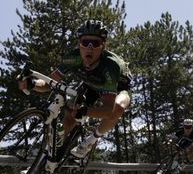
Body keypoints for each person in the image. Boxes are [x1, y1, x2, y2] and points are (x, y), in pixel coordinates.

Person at [18, 19, 132, 158]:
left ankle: (91, 140)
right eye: (85, 43)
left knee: (118, 108)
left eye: (95, 43)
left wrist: (85, 111)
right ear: (79, 44)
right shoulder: (73, 57)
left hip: (118, 87)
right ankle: (44, 160)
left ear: (103, 46)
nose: (89, 47)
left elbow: (108, 110)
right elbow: (49, 83)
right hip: (91, 85)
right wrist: (33, 84)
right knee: (69, 116)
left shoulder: (110, 66)